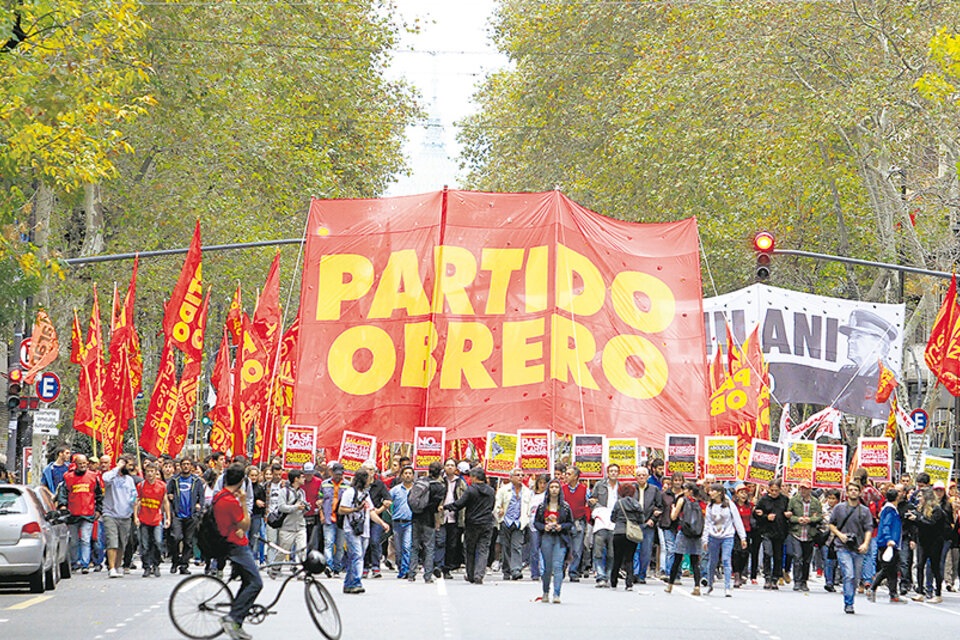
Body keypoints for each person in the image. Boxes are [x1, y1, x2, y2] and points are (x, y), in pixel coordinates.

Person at [215, 464, 263, 640]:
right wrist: (243, 503)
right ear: (242, 481)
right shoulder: (229, 501)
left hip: (231, 542)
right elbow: (245, 524)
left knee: (247, 581)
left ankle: (237, 622)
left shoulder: (220, 496)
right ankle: (233, 617)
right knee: (256, 583)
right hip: (236, 545)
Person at [338, 468, 391, 594]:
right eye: (368, 478)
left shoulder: (366, 495)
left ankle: (348, 583)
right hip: (351, 529)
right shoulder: (349, 492)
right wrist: (356, 509)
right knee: (357, 555)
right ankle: (356, 581)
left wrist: (382, 523)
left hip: (364, 529)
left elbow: (371, 511)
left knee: (356, 557)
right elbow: (341, 509)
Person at [445, 467, 496, 584]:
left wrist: (447, 507)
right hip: (487, 523)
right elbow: (492, 506)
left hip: (472, 523)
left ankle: (471, 573)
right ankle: (479, 574)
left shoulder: (471, 490)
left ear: (475, 477)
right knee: (483, 549)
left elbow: (459, 504)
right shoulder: (491, 491)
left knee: (470, 549)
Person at [829, 482, 874, 614]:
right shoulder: (839, 508)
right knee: (848, 574)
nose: (853, 492)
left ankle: (851, 598)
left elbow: (868, 529)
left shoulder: (864, 511)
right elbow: (831, 524)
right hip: (842, 547)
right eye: (851, 490)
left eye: (856, 490)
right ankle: (848, 603)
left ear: (860, 493)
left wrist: (865, 543)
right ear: (847, 493)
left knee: (855, 577)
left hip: (858, 547)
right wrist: (840, 535)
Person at [56, 454, 103, 574]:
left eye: (84, 463)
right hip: (72, 514)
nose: (82, 466)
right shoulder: (68, 477)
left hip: (88, 513)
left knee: (85, 539)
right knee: (74, 541)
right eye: (80, 464)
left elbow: (98, 495)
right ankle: (75, 562)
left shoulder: (93, 477)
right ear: (75, 464)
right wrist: (63, 506)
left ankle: (85, 564)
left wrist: (98, 510)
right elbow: (63, 493)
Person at [533, 479, 573, 603]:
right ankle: (545, 591)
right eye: (552, 487)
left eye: (557, 487)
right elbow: (536, 522)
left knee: (558, 566)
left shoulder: (565, 507)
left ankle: (557, 594)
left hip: (560, 539)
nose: (554, 489)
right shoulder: (542, 507)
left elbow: (570, 523)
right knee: (547, 568)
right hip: (546, 537)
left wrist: (561, 526)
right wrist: (544, 527)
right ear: (548, 490)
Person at [705, 482, 747, 597]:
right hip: (713, 537)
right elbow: (707, 523)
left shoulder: (729, 505)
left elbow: (737, 521)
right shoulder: (710, 506)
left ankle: (727, 587)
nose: (710, 493)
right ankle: (710, 584)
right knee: (712, 561)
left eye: (713, 491)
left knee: (726, 560)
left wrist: (743, 537)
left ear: (719, 493)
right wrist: (705, 539)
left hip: (727, 536)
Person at [408, 461, 445, 583]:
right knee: (429, 547)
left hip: (416, 517)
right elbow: (436, 506)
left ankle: (411, 574)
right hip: (429, 519)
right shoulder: (439, 487)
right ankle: (427, 575)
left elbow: (410, 498)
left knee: (414, 546)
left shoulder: (420, 482)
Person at [167, 458, 205, 575]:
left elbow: (201, 497)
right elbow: (168, 496)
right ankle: (175, 560)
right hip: (178, 514)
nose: (186, 466)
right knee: (176, 538)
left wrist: (198, 509)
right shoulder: (174, 480)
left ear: (191, 467)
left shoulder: (196, 481)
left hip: (191, 515)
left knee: (188, 541)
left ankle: (184, 565)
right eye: (184, 464)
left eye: (188, 464)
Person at [868, 487, 906, 604]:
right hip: (888, 543)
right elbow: (886, 526)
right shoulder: (890, 510)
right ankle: (873, 588)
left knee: (892, 570)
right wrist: (889, 539)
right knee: (888, 568)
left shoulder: (888, 509)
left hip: (889, 542)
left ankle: (893, 593)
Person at [102, 456, 138, 578]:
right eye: (128, 465)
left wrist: (132, 508)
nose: (130, 467)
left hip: (125, 516)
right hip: (110, 514)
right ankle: (111, 568)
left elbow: (134, 495)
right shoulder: (111, 476)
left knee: (122, 543)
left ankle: (117, 566)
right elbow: (105, 479)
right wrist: (117, 467)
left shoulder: (129, 480)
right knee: (112, 541)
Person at [908, 486, 946, 603]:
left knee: (935, 566)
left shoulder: (937, 510)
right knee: (920, 565)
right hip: (923, 541)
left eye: (921, 496)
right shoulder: (920, 509)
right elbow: (917, 527)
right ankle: (920, 591)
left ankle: (938, 593)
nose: (919, 499)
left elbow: (931, 524)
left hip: (935, 542)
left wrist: (917, 519)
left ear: (927, 498)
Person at [665, 481, 703, 596]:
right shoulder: (698, 502)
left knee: (677, 559)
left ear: (690, 491)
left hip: (684, 532)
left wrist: (673, 508)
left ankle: (670, 585)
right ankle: (697, 586)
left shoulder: (682, 500)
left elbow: (673, 517)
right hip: (696, 533)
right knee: (695, 561)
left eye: (685, 489)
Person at [494, 467, 533, 581]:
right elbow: (497, 505)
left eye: (522, 475)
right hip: (506, 521)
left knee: (517, 546)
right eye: (517, 475)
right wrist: (499, 512)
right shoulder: (503, 490)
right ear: (511, 478)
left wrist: (526, 519)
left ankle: (516, 570)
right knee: (505, 547)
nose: (520, 477)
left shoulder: (527, 492)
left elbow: (529, 507)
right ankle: (506, 570)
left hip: (519, 522)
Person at [134, 461, 170, 578]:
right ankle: (147, 566)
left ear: (156, 473)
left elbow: (165, 502)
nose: (150, 474)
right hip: (144, 518)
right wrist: (135, 516)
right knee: (145, 544)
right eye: (148, 471)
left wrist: (168, 517)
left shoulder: (162, 486)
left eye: (152, 471)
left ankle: (156, 564)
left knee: (158, 542)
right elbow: (137, 501)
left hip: (156, 518)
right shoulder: (141, 486)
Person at [787, 479, 823, 593]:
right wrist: (798, 519)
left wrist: (810, 519)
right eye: (801, 488)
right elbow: (788, 515)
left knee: (807, 559)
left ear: (810, 490)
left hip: (809, 534)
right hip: (796, 533)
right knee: (797, 557)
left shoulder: (816, 502)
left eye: (805, 488)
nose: (803, 490)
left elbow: (820, 516)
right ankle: (797, 580)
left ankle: (804, 581)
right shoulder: (794, 500)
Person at [755, 479, 790, 590]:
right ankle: (767, 577)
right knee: (767, 553)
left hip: (780, 532)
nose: (774, 493)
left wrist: (788, 515)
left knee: (778, 556)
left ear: (780, 490)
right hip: (767, 531)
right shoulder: (764, 500)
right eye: (772, 490)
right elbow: (756, 514)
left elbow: (789, 512)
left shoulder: (785, 500)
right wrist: (765, 516)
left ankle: (775, 577)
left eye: (776, 490)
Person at [588, 463, 620, 588]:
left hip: (615, 522)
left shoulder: (621, 487)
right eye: (611, 471)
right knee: (598, 551)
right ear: (607, 472)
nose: (613, 473)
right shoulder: (599, 485)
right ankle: (600, 576)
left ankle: (609, 575)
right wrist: (598, 509)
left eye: (615, 471)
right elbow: (592, 500)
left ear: (618, 473)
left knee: (612, 552)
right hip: (601, 521)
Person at [437, 458, 467, 580]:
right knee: (440, 542)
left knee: (452, 544)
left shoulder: (461, 482)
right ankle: (438, 566)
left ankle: (447, 569)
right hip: (441, 517)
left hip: (455, 517)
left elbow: (465, 498)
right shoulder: (439, 481)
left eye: (452, 465)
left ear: (456, 468)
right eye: (447, 465)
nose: (450, 467)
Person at [632, 467, 663, 583]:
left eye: (643, 475)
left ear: (647, 477)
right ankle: (634, 573)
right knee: (635, 550)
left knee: (646, 551)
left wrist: (653, 519)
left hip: (648, 524)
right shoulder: (631, 489)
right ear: (636, 477)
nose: (641, 477)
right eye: (639, 475)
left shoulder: (654, 490)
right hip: (634, 524)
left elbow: (659, 507)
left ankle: (642, 574)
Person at [275, 469, 308, 576]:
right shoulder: (284, 492)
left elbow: (302, 507)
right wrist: (295, 507)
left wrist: (306, 507)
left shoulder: (302, 492)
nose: (304, 479)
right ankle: (275, 567)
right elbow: (281, 507)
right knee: (284, 550)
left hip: (300, 525)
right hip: (287, 526)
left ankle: (299, 569)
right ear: (296, 479)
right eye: (302, 477)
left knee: (302, 549)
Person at [610, 483, 643, 591]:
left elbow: (612, 518)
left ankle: (613, 581)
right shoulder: (637, 504)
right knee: (630, 558)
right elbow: (641, 520)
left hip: (618, 532)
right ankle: (629, 583)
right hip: (632, 533)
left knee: (617, 558)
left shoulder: (618, 503)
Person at [362, 461, 391, 579]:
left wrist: (378, 511)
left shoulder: (379, 484)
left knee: (374, 541)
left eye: (371, 470)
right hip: (362, 518)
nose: (368, 472)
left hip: (376, 518)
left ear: (374, 472)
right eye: (366, 469)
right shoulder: (359, 484)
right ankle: (364, 566)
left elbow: (388, 500)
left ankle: (375, 566)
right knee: (364, 543)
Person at [560, 466, 589, 582]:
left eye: (569, 474)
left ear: (576, 476)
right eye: (566, 473)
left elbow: (589, 502)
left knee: (577, 549)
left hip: (578, 521)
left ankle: (573, 571)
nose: (566, 476)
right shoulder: (562, 489)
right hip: (565, 522)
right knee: (563, 548)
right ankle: (560, 569)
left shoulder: (584, 489)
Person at [389, 465, 416, 579]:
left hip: (410, 522)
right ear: (401, 476)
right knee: (398, 549)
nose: (408, 475)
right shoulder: (395, 490)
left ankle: (405, 570)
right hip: (397, 522)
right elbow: (387, 502)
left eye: (410, 473)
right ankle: (400, 567)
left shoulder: (416, 489)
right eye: (405, 473)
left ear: (413, 476)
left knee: (407, 546)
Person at [657, 472, 684, 580]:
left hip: (681, 526)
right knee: (670, 549)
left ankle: (677, 573)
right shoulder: (664, 495)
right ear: (672, 482)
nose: (677, 482)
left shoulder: (685, 495)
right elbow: (659, 507)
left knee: (679, 549)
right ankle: (669, 573)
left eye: (680, 480)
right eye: (676, 480)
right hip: (668, 524)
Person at [731, 483, 756, 588]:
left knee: (744, 554)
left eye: (745, 492)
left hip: (747, 532)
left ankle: (741, 572)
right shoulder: (733, 505)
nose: (744, 495)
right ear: (737, 494)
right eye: (741, 492)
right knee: (736, 553)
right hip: (735, 532)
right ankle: (736, 574)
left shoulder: (750, 506)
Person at [527, 474, 550, 582]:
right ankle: (535, 573)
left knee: (545, 549)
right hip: (533, 524)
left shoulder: (548, 496)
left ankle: (544, 571)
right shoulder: (531, 494)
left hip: (545, 524)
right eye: (540, 483)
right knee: (534, 549)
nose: (542, 485)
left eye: (544, 483)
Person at [301, 462, 323, 552]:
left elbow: (323, 495)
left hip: (314, 514)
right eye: (306, 473)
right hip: (302, 514)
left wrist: (321, 500)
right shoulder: (301, 481)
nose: (308, 475)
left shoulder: (319, 482)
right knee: (302, 539)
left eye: (310, 473)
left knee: (313, 540)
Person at [248, 466, 267, 565]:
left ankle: (250, 559)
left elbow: (264, 502)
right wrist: (255, 502)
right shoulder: (244, 487)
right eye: (252, 475)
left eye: (255, 475)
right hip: (246, 515)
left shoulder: (260, 488)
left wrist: (263, 515)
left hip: (256, 516)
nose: (254, 477)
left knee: (253, 539)